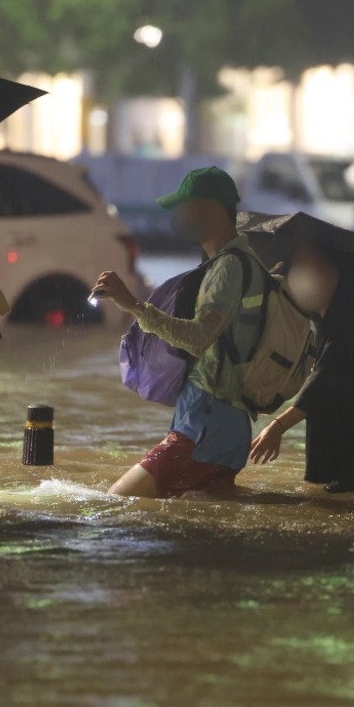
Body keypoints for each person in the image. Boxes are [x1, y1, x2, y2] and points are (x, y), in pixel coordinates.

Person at [92, 167, 265, 499]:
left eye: (186, 207)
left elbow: (199, 338)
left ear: (211, 210)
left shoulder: (228, 268)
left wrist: (133, 305)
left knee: (116, 503)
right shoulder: (243, 261)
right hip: (221, 425)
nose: (179, 216)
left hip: (205, 428)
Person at [248, 242, 354, 492]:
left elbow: (320, 385)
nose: (300, 278)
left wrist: (277, 427)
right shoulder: (330, 324)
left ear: (335, 275)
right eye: (297, 269)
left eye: (310, 268)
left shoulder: (348, 327)